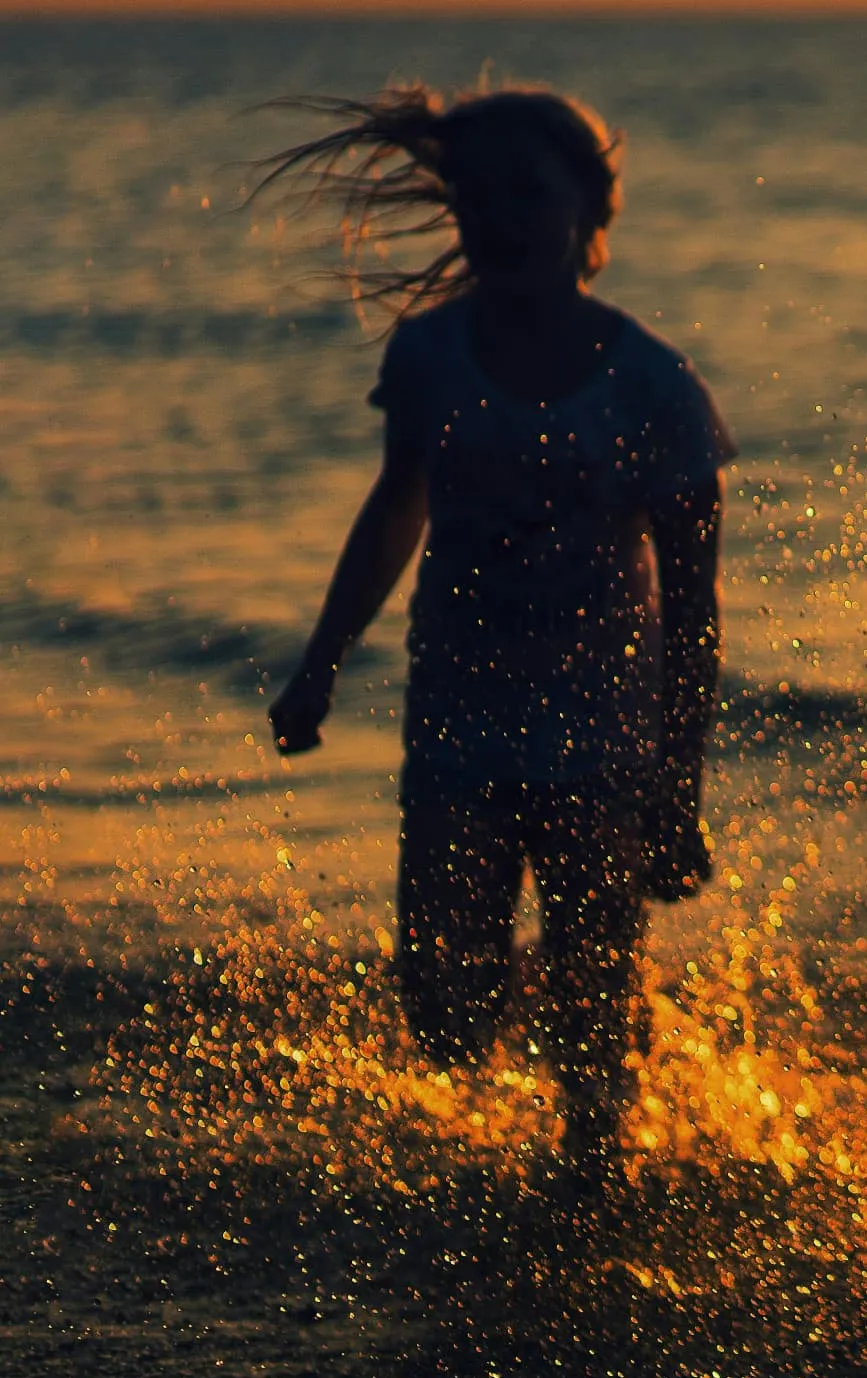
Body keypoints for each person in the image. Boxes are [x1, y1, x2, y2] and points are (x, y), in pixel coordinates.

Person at [253, 85, 731, 1187]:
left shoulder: (655, 385)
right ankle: (562, 980)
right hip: (462, 720)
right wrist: (318, 667)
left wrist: (678, 785)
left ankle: (594, 1191)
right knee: (445, 1011)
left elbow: (696, 612)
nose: (506, 220)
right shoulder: (429, 359)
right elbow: (394, 511)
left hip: (602, 734)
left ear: (589, 208)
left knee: (593, 1054)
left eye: (530, 194)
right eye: (479, 199)